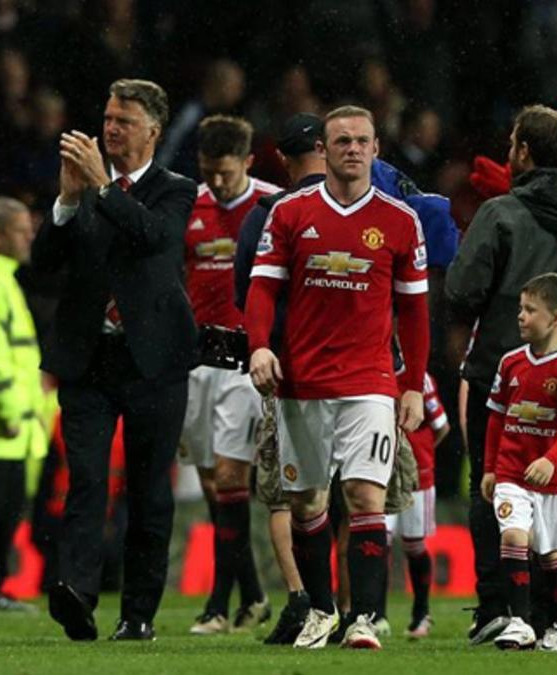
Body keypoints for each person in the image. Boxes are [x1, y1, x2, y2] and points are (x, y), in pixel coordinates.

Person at [245, 105, 430, 651]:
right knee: (307, 504)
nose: (352, 149)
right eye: (342, 140)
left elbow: (416, 312)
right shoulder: (290, 214)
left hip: (370, 382)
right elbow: (262, 290)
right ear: (323, 150)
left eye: (362, 140)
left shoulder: (400, 220)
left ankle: (366, 617)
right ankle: (321, 612)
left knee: (365, 495)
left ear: (376, 149)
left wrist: (413, 383)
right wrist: (259, 347)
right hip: (301, 382)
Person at [446, 105, 557, 645]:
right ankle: (549, 617)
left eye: (514, 143)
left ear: (524, 153)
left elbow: (459, 293)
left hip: (504, 374)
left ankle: (498, 608)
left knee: (492, 484)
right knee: (554, 494)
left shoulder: (499, 214)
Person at [33, 79, 197, 642]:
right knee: (85, 480)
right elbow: (43, 264)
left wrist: (101, 189)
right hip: (88, 357)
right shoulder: (83, 190)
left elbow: (154, 238)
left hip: (154, 360)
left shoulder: (176, 189)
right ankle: (76, 593)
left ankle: (138, 614)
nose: (109, 129)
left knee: (150, 490)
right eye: (107, 118)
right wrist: (65, 202)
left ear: (153, 130)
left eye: (123, 121)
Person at [180, 115, 279, 635]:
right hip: (196, 361)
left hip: (244, 360)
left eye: (225, 172)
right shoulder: (187, 205)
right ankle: (255, 597)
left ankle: (218, 604)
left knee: (230, 477)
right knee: (211, 485)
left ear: (247, 162)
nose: (216, 182)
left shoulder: (272, 206)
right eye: (208, 172)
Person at [232, 112, 326, 646]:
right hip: (359, 372)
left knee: (287, 493)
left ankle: (304, 599)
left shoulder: (266, 214)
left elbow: (248, 294)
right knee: (360, 494)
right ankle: (363, 609)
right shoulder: (379, 203)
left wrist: (263, 346)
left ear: (281, 160)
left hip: (285, 370)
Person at [481, 273, 557, 652]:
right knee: (514, 536)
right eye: (520, 308)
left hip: (552, 479)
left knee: (551, 556)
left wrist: (551, 459)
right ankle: (520, 622)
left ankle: (555, 628)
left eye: (530, 310)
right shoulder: (510, 363)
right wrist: (490, 468)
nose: (521, 316)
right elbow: (497, 417)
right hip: (512, 473)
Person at [0, 196, 46, 613]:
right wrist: (6, 409)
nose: (30, 236)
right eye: (22, 230)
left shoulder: (2, 280)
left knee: (1, 518)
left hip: (12, 430)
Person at [385, 369, 450, 640]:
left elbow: (441, 427)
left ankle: (421, 612)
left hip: (417, 478)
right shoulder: (372, 368)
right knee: (379, 541)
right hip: (382, 476)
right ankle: (374, 614)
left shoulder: (419, 378)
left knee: (414, 544)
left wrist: (417, 455)